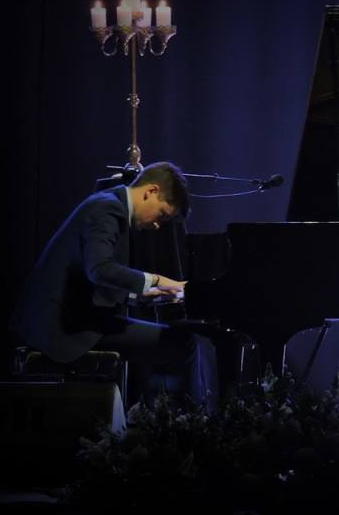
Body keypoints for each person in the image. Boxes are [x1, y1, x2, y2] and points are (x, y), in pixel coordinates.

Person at [10, 162, 203, 402]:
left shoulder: (109, 203)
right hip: (63, 327)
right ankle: (194, 423)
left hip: (76, 316)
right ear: (151, 191)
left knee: (177, 341)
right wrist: (157, 280)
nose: (156, 225)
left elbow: (92, 280)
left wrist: (139, 296)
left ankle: (163, 418)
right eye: (162, 215)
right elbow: (100, 270)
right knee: (185, 343)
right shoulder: (107, 208)